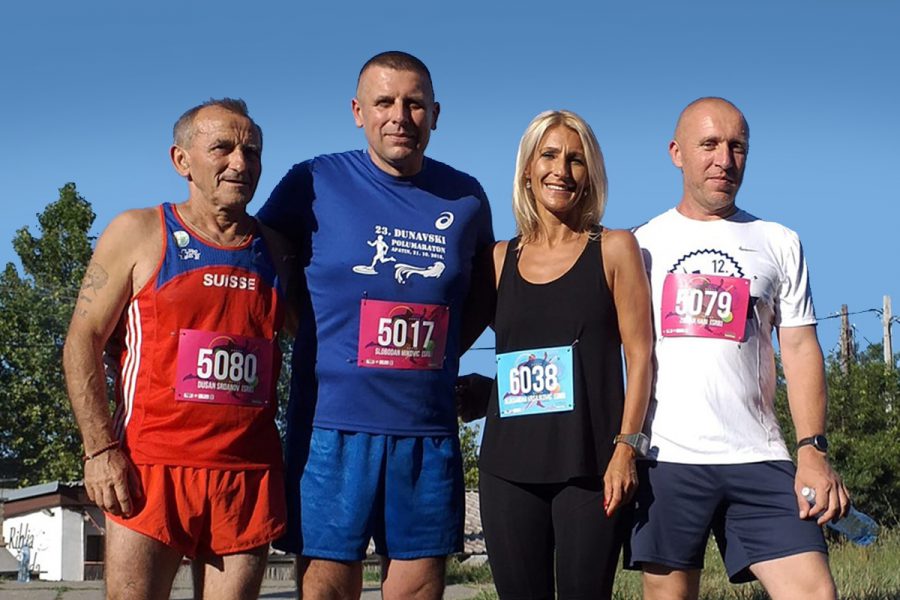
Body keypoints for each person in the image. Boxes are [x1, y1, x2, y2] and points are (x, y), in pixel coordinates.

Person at [257, 51, 494, 600]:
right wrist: (308, 333)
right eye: (384, 102)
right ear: (357, 111)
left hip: (425, 431)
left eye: (415, 104)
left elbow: (483, 294)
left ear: (436, 114)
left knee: (418, 588)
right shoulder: (313, 180)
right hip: (329, 428)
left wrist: (445, 356)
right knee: (327, 590)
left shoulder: (466, 197)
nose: (400, 117)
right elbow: (260, 264)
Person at [63, 98, 291, 600]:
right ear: (181, 160)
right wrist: (99, 449)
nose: (240, 163)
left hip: (246, 473)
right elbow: (82, 340)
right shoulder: (139, 231)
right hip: (150, 469)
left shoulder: (277, 250)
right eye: (222, 148)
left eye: (252, 151)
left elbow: (323, 336)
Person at [626, 97, 850, 600]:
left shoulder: (779, 240)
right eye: (709, 145)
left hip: (759, 455)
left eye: (737, 147)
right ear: (676, 152)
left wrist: (813, 450)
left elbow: (800, 349)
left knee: (816, 593)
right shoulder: (639, 244)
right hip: (666, 459)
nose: (724, 160)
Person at [464, 110, 652, 600]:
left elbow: (641, 356)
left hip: (591, 468)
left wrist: (626, 448)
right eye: (548, 156)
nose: (561, 170)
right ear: (527, 169)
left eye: (576, 159)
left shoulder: (615, 249)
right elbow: (458, 341)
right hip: (507, 468)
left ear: (590, 174)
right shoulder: (499, 259)